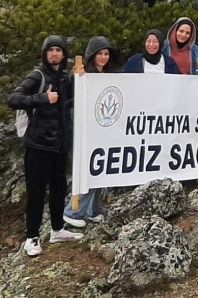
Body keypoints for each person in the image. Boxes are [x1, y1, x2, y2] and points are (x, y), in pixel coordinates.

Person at [8, 35, 84, 257]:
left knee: (59, 189)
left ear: (63, 54)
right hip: (38, 146)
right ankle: (31, 237)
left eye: (58, 50)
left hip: (59, 145)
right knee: (36, 192)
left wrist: (82, 79)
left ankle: (57, 229)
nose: (54, 54)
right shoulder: (37, 76)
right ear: (44, 53)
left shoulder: (63, 78)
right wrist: (41, 98)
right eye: (50, 50)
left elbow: (72, 101)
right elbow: (13, 99)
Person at [63, 36, 118, 228]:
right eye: (100, 54)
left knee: (100, 167)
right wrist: (76, 78)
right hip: (83, 129)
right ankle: (73, 211)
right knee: (86, 170)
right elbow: (69, 99)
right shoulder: (81, 74)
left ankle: (93, 210)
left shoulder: (109, 75)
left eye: (106, 53)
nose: (103, 57)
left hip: (102, 129)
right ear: (92, 55)